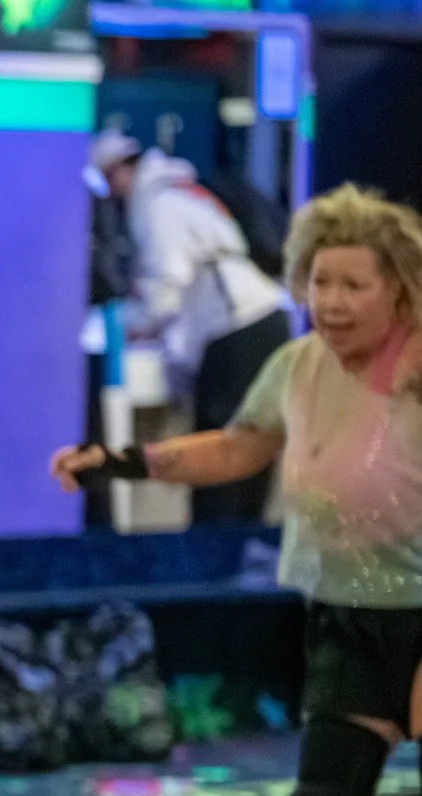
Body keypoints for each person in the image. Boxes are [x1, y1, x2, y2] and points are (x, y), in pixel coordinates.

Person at [50, 185, 422, 796]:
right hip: (345, 619)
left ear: (399, 291)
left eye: (357, 284)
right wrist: (119, 460)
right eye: (322, 281)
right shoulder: (296, 366)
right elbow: (238, 450)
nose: (335, 301)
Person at [92, 133, 292, 524]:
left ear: (118, 172)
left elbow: (166, 284)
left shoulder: (158, 206)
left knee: (223, 455)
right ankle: (241, 552)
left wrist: (134, 324)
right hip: (262, 319)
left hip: (236, 332)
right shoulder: (183, 190)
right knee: (250, 452)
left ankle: (216, 559)